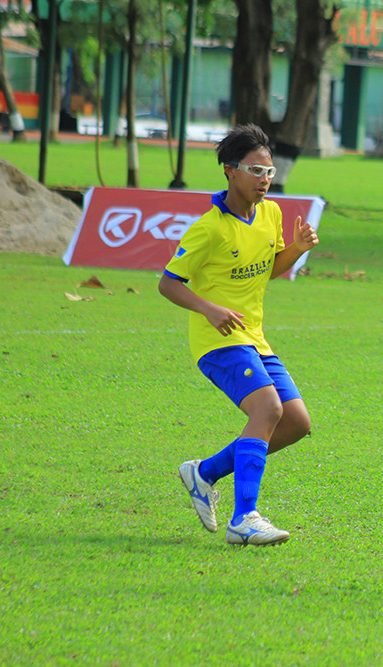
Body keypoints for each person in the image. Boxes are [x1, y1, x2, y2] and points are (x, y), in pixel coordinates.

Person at [159, 123, 319, 547]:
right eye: (255, 171)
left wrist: (297, 249)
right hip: (217, 341)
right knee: (267, 410)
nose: (265, 180)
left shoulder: (271, 213)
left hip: (254, 337)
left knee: (297, 423)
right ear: (230, 171)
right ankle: (244, 518)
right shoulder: (207, 229)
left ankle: (204, 473)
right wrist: (209, 309)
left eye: (269, 171)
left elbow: (268, 269)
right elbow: (169, 283)